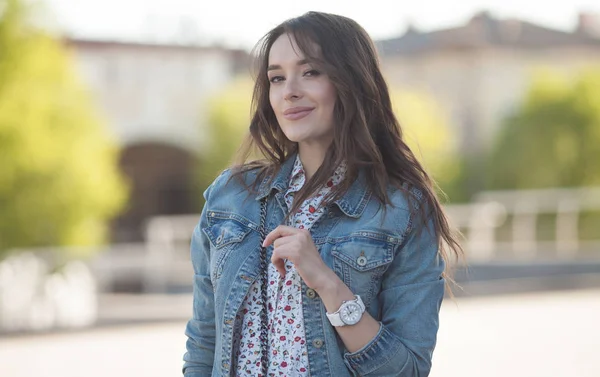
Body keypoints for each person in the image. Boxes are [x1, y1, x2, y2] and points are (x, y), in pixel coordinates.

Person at [183, 11, 462, 377]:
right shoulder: (229, 197)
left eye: (311, 71)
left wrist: (328, 283)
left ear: (351, 80)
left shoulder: (401, 210)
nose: (290, 91)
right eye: (277, 78)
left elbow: (407, 370)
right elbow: (204, 344)